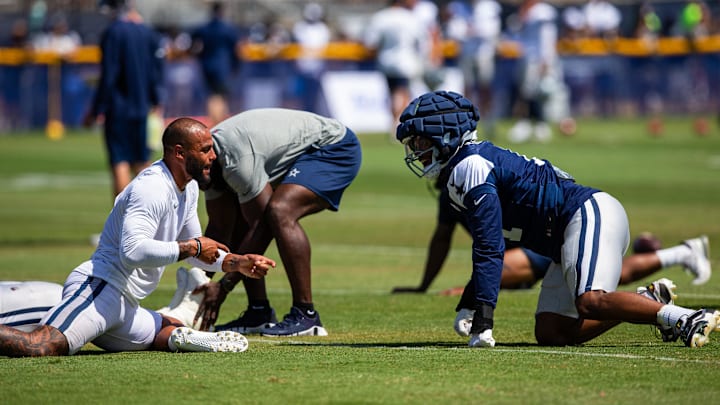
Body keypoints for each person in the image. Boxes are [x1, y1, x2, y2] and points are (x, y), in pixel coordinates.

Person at [395, 90, 719, 348]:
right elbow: (497, 240)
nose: (417, 150)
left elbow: (490, 248)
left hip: (584, 212)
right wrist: (470, 302)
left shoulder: (471, 167)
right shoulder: (463, 172)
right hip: (563, 235)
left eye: (421, 142)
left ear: (446, 136)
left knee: (591, 301)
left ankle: (686, 318)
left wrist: (483, 318)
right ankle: (647, 302)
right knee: (552, 331)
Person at [0, 117, 276, 357]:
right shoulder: (152, 187)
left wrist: (235, 262)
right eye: (205, 150)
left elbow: (198, 252)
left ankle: (183, 330)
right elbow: (132, 252)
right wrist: (192, 248)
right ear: (179, 153)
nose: (213, 156)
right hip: (101, 288)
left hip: (126, 303)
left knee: (170, 331)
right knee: (40, 346)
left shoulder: (188, 188)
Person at [392, 169, 712, 294]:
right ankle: (680, 252)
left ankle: (674, 258)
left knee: (594, 287)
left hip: (536, 242)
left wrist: (472, 289)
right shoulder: (451, 195)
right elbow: (441, 239)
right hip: (522, 249)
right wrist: (422, 286)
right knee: (604, 278)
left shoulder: (479, 177)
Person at [189, 108, 362, 337]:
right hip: (296, 151)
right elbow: (220, 229)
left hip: (333, 147)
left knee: (279, 212)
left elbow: (262, 227)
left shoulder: (235, 160)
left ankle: (306, 315)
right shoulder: (205, 162)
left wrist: (223, 287)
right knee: (242, 224)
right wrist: (193, 293)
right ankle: (258, 312)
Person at [83, 0, 165, 199]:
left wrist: (96, 110)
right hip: (142, 107)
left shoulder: (113, 32)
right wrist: (156, 101)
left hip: (118, 108)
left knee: (120, 162)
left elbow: (109, 75)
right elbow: (156, 73)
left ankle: (122, 224)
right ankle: (150, 219)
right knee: (141, 163)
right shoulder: (148, 33)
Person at [364, 0, 427, 136]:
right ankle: (397, 123)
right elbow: (421, 42)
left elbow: (371, 43)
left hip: (386, 60)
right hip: (406, 60)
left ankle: (395, 122)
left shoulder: (380, 17)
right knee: (401, 92)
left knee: (393, 92)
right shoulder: (410, 18)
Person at [191, 1, 242, 126]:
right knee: (219, 97)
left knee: (212, 96)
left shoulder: (204, 28)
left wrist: (199, 56)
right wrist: (236, 66)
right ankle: (218, 125)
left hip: (207, 65)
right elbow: (237, 50)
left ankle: (215, 123)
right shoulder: (228, 29)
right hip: (222, 67)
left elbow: (192, 42)